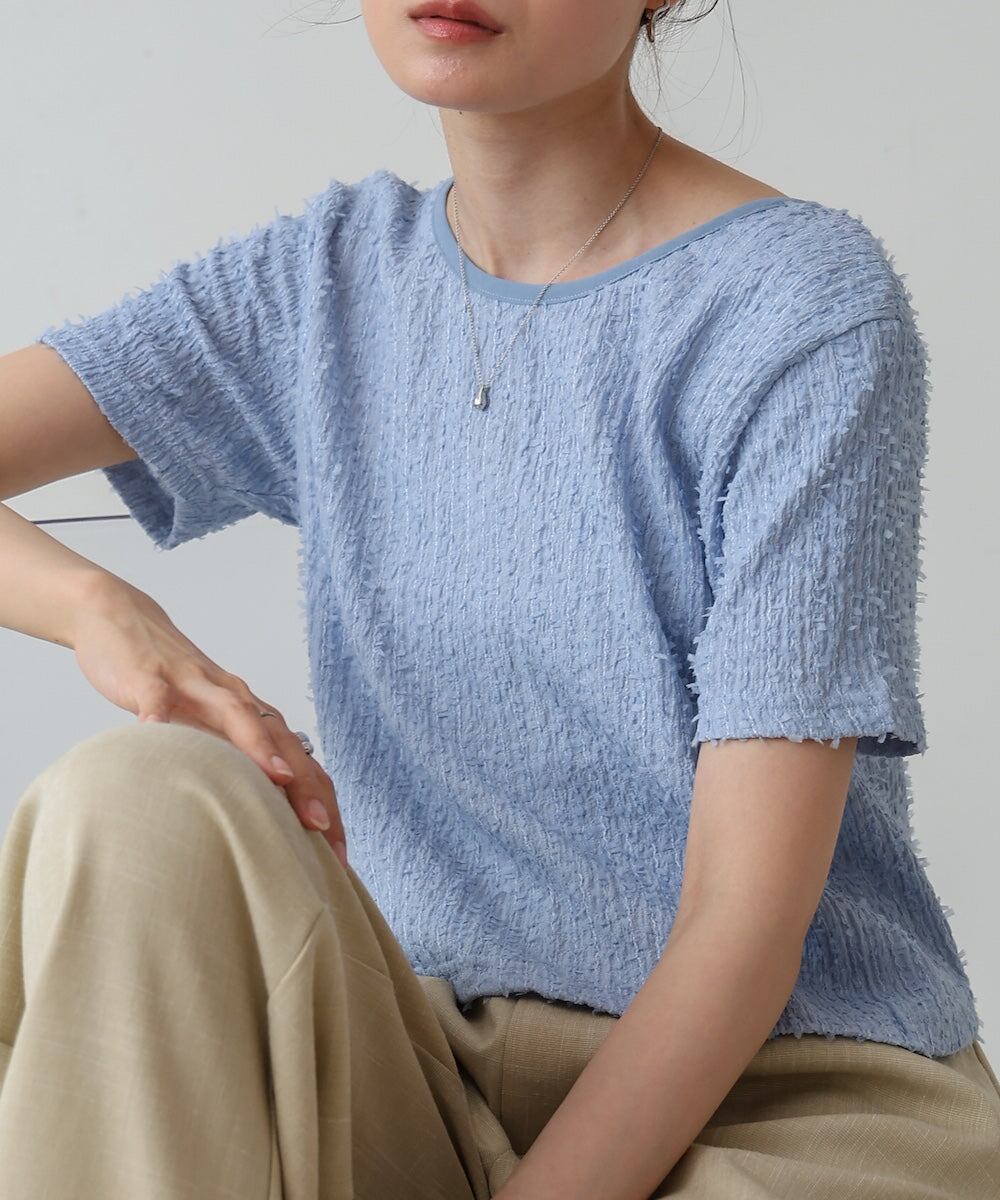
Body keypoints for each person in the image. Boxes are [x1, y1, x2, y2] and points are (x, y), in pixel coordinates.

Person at [0, 1, 998, 1197]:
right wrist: (98, 607)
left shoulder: (795, 305)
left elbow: (741, 926)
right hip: (425, 1067)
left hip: (777, 1094)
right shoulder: (323, 283)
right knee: (133, 800)